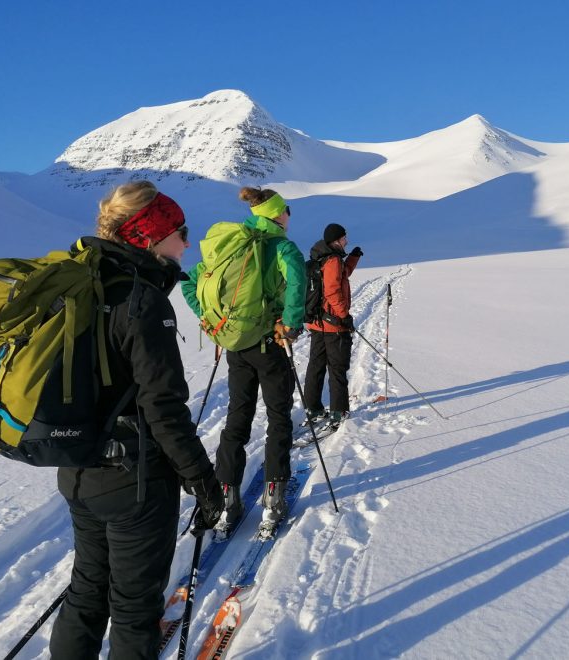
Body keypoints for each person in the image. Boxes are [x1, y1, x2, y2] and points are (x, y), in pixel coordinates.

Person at [49, 181, 224, 659]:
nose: (187, 243)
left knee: (85, 593)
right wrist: (204, 483)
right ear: (149, 236)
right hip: (136, 482)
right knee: (132, 609)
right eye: (180, 232)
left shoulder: (82, 285)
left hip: (79, 469)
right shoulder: (143, 302)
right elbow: (163, 409)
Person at [182, 187, 305, 536]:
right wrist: (291, 324)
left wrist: (213, 321)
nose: (288, 218)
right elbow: (297, 281)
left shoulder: (231, 244)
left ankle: (227, 497)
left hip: (235, 345)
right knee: (279, 417)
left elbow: (192, 283)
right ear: (278, 214)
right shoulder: (281, 247)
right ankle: (273, 496)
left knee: (237, 417)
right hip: (269, 342)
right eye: (286, 212)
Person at [302, 223, 363, 429]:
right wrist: (344, 316)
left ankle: (313, 408)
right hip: (333, 325)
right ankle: (338, 410)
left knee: (316, 367)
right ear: (336, 240)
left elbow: (341, 275)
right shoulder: (333, 260)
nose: (347, 241)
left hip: (317, 323)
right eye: (344, 238)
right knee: (337, 368)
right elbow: (332, 292)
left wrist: (353, 258)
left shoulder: (320, 257)